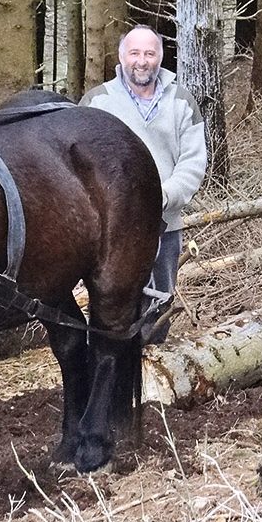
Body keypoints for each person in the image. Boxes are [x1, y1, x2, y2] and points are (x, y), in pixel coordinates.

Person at [80, 25, 207, 343]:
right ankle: (111, 373)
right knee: (111, 305)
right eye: (134, 53)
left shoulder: (181, 101)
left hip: (164, 224)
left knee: (159, 305)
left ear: (160, 57)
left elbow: (193, 163)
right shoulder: (97, 102)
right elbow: (78, 166)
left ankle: (152, 374)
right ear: (122, 56)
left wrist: (162, 197)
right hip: (109, 230)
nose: (142, 61)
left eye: (150, 53)